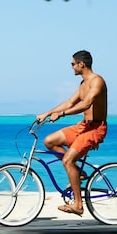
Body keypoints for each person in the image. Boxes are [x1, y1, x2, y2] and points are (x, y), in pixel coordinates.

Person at [35, 50, 108, 217]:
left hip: (96, 128)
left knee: (67, 160)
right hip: (83, 126)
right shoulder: (82, 84)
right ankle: (79, 172)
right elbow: (69, 102)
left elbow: (87, 103)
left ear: (81, 64)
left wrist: (61, 115)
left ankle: (78, 205)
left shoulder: (97, 81)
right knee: (50, 141)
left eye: (73, 64)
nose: (71, 67)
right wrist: (47, 113)